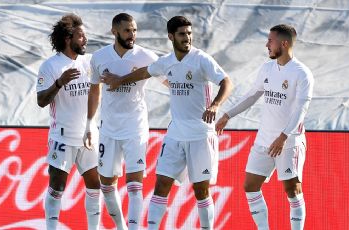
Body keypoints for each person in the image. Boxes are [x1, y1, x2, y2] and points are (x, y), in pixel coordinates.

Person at [101, 16, 233, 230]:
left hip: (200, 135)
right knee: (161, 184)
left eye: (189, 33)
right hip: (175, 135)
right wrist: (119, 80)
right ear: (171, 37)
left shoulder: (202, 59)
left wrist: (216, 105)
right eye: (182, 34)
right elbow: (145, 72)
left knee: (201, 191)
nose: (187, 38)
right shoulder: (167, 61)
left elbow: (226, 82)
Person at [216, 24, 314, 230]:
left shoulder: (302, 73)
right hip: (264, 140)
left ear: (284, 43)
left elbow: (301, 109)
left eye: (271, 40)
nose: (267, 44)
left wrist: (284, 136)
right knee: (250, 186)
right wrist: (227, 115)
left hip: (289, 141)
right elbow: (252, 95)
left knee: (292, 189)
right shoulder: (267, 68)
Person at [84, 13, 161, 230]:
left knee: (135, 184)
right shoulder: (99, 57)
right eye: (127, 30)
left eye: (134, 30)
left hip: (135, 126)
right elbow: (94, 89)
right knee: (107, 184)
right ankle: (121, 226)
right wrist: (90, 123)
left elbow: (168, 79)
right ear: (114, 31)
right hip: (108, 128)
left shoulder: (146, 56)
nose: (132, 35)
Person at [36, 14, 101, 230]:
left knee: (95, 185)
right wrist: (59, 83)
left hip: (88, 136)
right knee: (57, 186)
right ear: (67, 38)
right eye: (81, 36)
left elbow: (97, 91)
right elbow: (41, 101)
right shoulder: (50, 66)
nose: (85, 40)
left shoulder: (90, 62)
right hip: (62, 136)